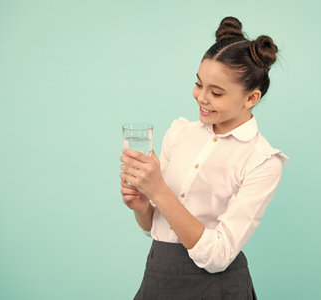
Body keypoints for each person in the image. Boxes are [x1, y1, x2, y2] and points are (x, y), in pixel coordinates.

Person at [120, 16, 289, 299]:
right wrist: (141, 206)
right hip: (158, 276)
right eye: (199, 84)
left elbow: (218, 255)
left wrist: (159, 190)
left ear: (251, 98)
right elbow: (155, 227)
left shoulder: (262, 161)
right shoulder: (180, 134)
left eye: (217, 92)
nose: (201, 97)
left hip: (217, 288)